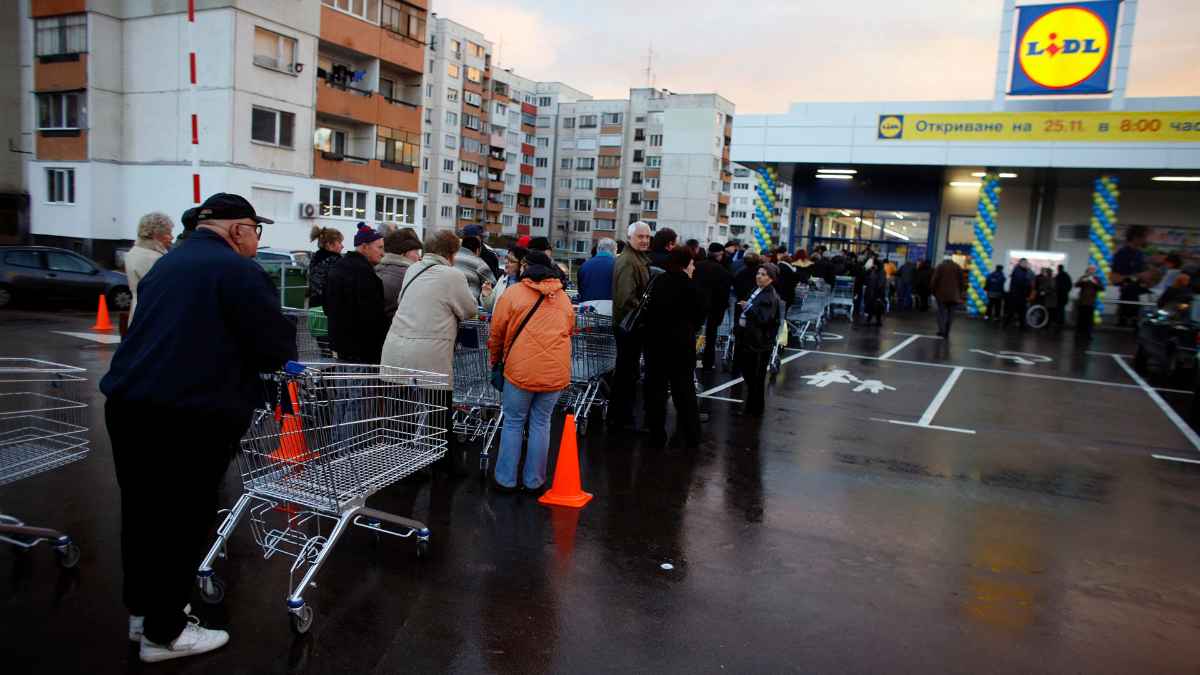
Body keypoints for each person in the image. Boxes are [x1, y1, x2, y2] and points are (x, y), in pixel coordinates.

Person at [101, 193, 295, 663]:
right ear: (238, 231)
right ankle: (164, 633)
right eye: (255, 229)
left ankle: (144, 612)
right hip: (188, 413)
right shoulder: (239, 272)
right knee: (183, 520)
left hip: (129, 403)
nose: (256, 240)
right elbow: (274, 345)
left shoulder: (167, 264)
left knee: (144, 514)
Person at [382, 230, 479, 473]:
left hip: (396, 348)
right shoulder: (452, 276)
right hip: (429, 354)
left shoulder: (413, 269)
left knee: (402, 410)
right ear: (451, 253)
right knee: (438, 410)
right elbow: (468, 310)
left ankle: (401, 464)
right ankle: (442, 465)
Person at [488, 251, 575, 491]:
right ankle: (534, 481)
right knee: (541, 423)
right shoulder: (563, 298)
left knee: (514, 422)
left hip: (520, 370)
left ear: (526, 267)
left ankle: (506, 480)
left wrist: (495, 360)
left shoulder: (513, 294)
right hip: (555, 372)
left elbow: (496, 333)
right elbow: (569, 329)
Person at [642, 248, 705, 448]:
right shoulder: (691, 286)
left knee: (655, 390)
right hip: (681, 346)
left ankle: (656, 433)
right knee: (684, 391)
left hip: (655, 343)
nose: (694, 267)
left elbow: (649, 311)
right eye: (692, 263)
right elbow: (698, 317)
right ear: (686, 264)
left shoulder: (658, 281)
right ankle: (691, 435)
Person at [609, 221, 652, 431]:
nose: (644, 240)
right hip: (629, 325)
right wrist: (645, 310)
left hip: (630, 324)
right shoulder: (628, 261)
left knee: (627, 371)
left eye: (647, 237)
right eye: (640, 237)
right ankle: (622, 419)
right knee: (627, 372)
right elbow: (625, 297)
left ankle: (620, 417)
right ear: (630, 238)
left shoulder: (636, 259)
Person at [324, 223, 388, 363]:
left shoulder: (338, 267)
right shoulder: (365, 275)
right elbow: (373, 318)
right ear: (364, 247)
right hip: (363, 351)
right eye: (379, 247)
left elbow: (327, 307)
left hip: (340, 347)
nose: (383, 253)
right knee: (361, 384)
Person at [736, 263, 782, 417]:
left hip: (758, 342)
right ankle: (753, 407)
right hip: (749, 337)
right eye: (758, 273)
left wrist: (748, 308)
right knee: (750, 375)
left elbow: (764, 319)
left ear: (771, 278)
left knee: (755, 376)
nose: (759, 276)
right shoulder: (757, 290)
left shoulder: (769, 295)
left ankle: (753, 409)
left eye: (763, 274)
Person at [125, 212, 174, 321]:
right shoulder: (153, 258)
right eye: (168, 232)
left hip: (138, 309)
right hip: (153, 313)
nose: (172, 237)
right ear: (156, 234)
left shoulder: (134, 252)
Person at [694, 243, 734, 370]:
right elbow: (724, 294)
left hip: (697, 304)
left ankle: (689, 359)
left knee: (693, 332)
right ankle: (708, 362)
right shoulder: (723, 272)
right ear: (720, 255)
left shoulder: (697, 266)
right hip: (715, 307)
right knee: (711, 336)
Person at [377, 227, 422, 323]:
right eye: (416, 252)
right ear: (403, 253)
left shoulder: (376, 270)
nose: (419, 257)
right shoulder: (410, 277)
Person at [1112, 225, 1149, 327]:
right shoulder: (1122, 254)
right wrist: (1137, 276)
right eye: (1143, 237)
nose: (1145, 240)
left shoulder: (1140, 254)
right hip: (1127, 290)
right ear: (1135, 237)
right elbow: (1117, 276)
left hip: (1136, 291)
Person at [306, 226, 344, 309]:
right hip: (329, 305)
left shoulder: (315, 257)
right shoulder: (335, 260)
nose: (342, 246)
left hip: (314, 303)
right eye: (340, 243)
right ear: (329, 244)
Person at [481, 245, 527, 312]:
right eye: (506, 258)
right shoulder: (503, 279)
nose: (506, 262)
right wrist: (486, 295)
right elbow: (489, 308)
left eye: (511, 261)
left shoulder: (525, 284)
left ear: (521, 265)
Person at [454, 235, 496, 301]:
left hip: (447, 300)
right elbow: (493, 283)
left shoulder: (451, 258)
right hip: (467, 302)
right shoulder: (479, 263)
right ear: (477, 250)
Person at [931, 255, 964, 338]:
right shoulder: (958, 267)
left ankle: (941, 330)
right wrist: (960, 293)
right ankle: (947, 331)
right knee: (951, 314)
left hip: (941, 295)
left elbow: (934, 280)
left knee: (941, 313)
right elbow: (961, 282)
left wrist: (933, 291)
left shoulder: (940, 267)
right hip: (954, 296)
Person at [578, 237, 616, 302]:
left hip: (587, 306)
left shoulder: (584, 265)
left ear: (598, 249)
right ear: (613, 250)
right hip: (611, 306)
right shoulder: (618, 265)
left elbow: (580, 289)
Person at [1075, 265, 1105, 341]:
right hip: (1082, 302)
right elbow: (1076, 285)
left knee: (1089, 320)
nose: (1091, 271)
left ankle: (1088, 334)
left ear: (1094, 271)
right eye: (1089, 270)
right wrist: (1083, 280)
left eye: (1092, 270)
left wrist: (1094, 282)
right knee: (1080, 319)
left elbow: (1102, 288)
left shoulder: (1096, 279)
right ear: (1087, 271)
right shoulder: (1083, 277)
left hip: (1091, 303)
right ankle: (1079, 334)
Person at [1006, 259, 1034, 330]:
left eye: (1026, 263)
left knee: (1019, 311)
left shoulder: (1020, 270)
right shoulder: (1019, 271)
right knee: (1015, 311)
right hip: (1017, 295)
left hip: (1018, 295)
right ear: (1021, 263)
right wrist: (1028, 283)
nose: (1026, 264)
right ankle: (1007, 324)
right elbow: (1022, 283)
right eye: (1025, 263)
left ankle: (1020, 325)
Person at [863, 261, 888, 327]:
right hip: (875, 293)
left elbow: (880, 284)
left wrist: (877, 294)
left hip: (876, 293)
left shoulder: (880, 272)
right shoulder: (876, 271)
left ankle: (873, 320)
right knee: (874, 307)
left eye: (875, 264)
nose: (874, 266)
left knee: (875, 307)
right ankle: (876, 321)